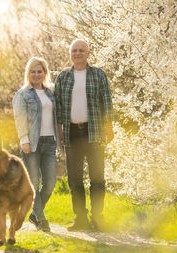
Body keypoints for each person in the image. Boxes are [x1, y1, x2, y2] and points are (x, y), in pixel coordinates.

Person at [54, 39, 114, 231]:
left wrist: (109, 126)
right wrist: (60, 131)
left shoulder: (98, 75)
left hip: (94, 131)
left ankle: (98, 218)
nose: (77, 53)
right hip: (72, 132)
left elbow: (107, 101)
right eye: (74, 51)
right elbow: (59, 108)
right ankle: (80, 218)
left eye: (81, 50)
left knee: (97, 177)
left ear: (88, 53)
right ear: (70, 54)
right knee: (74, 179)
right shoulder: (63, 77)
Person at [12, 57, 60, 232]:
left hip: (49, 142)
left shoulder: (50, 92)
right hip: (31, 143)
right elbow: (20, 118)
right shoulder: (22, 94)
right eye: (33, 71)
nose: (36, 74)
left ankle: (33, 213)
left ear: (45, 73)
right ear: (28, 74)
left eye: (39, 71)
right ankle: (40, 219)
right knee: (33, 182)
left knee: (49, 183)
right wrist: (24, 139)